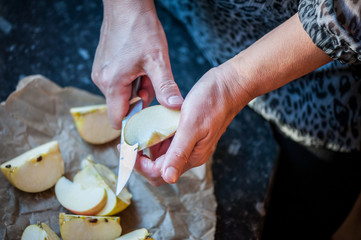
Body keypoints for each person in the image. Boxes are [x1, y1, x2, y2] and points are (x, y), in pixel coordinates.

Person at [91, 0, 361, 238]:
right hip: (174, 19)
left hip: (316, 90)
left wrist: (232, 84)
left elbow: (350, 10)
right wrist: (127, 10)